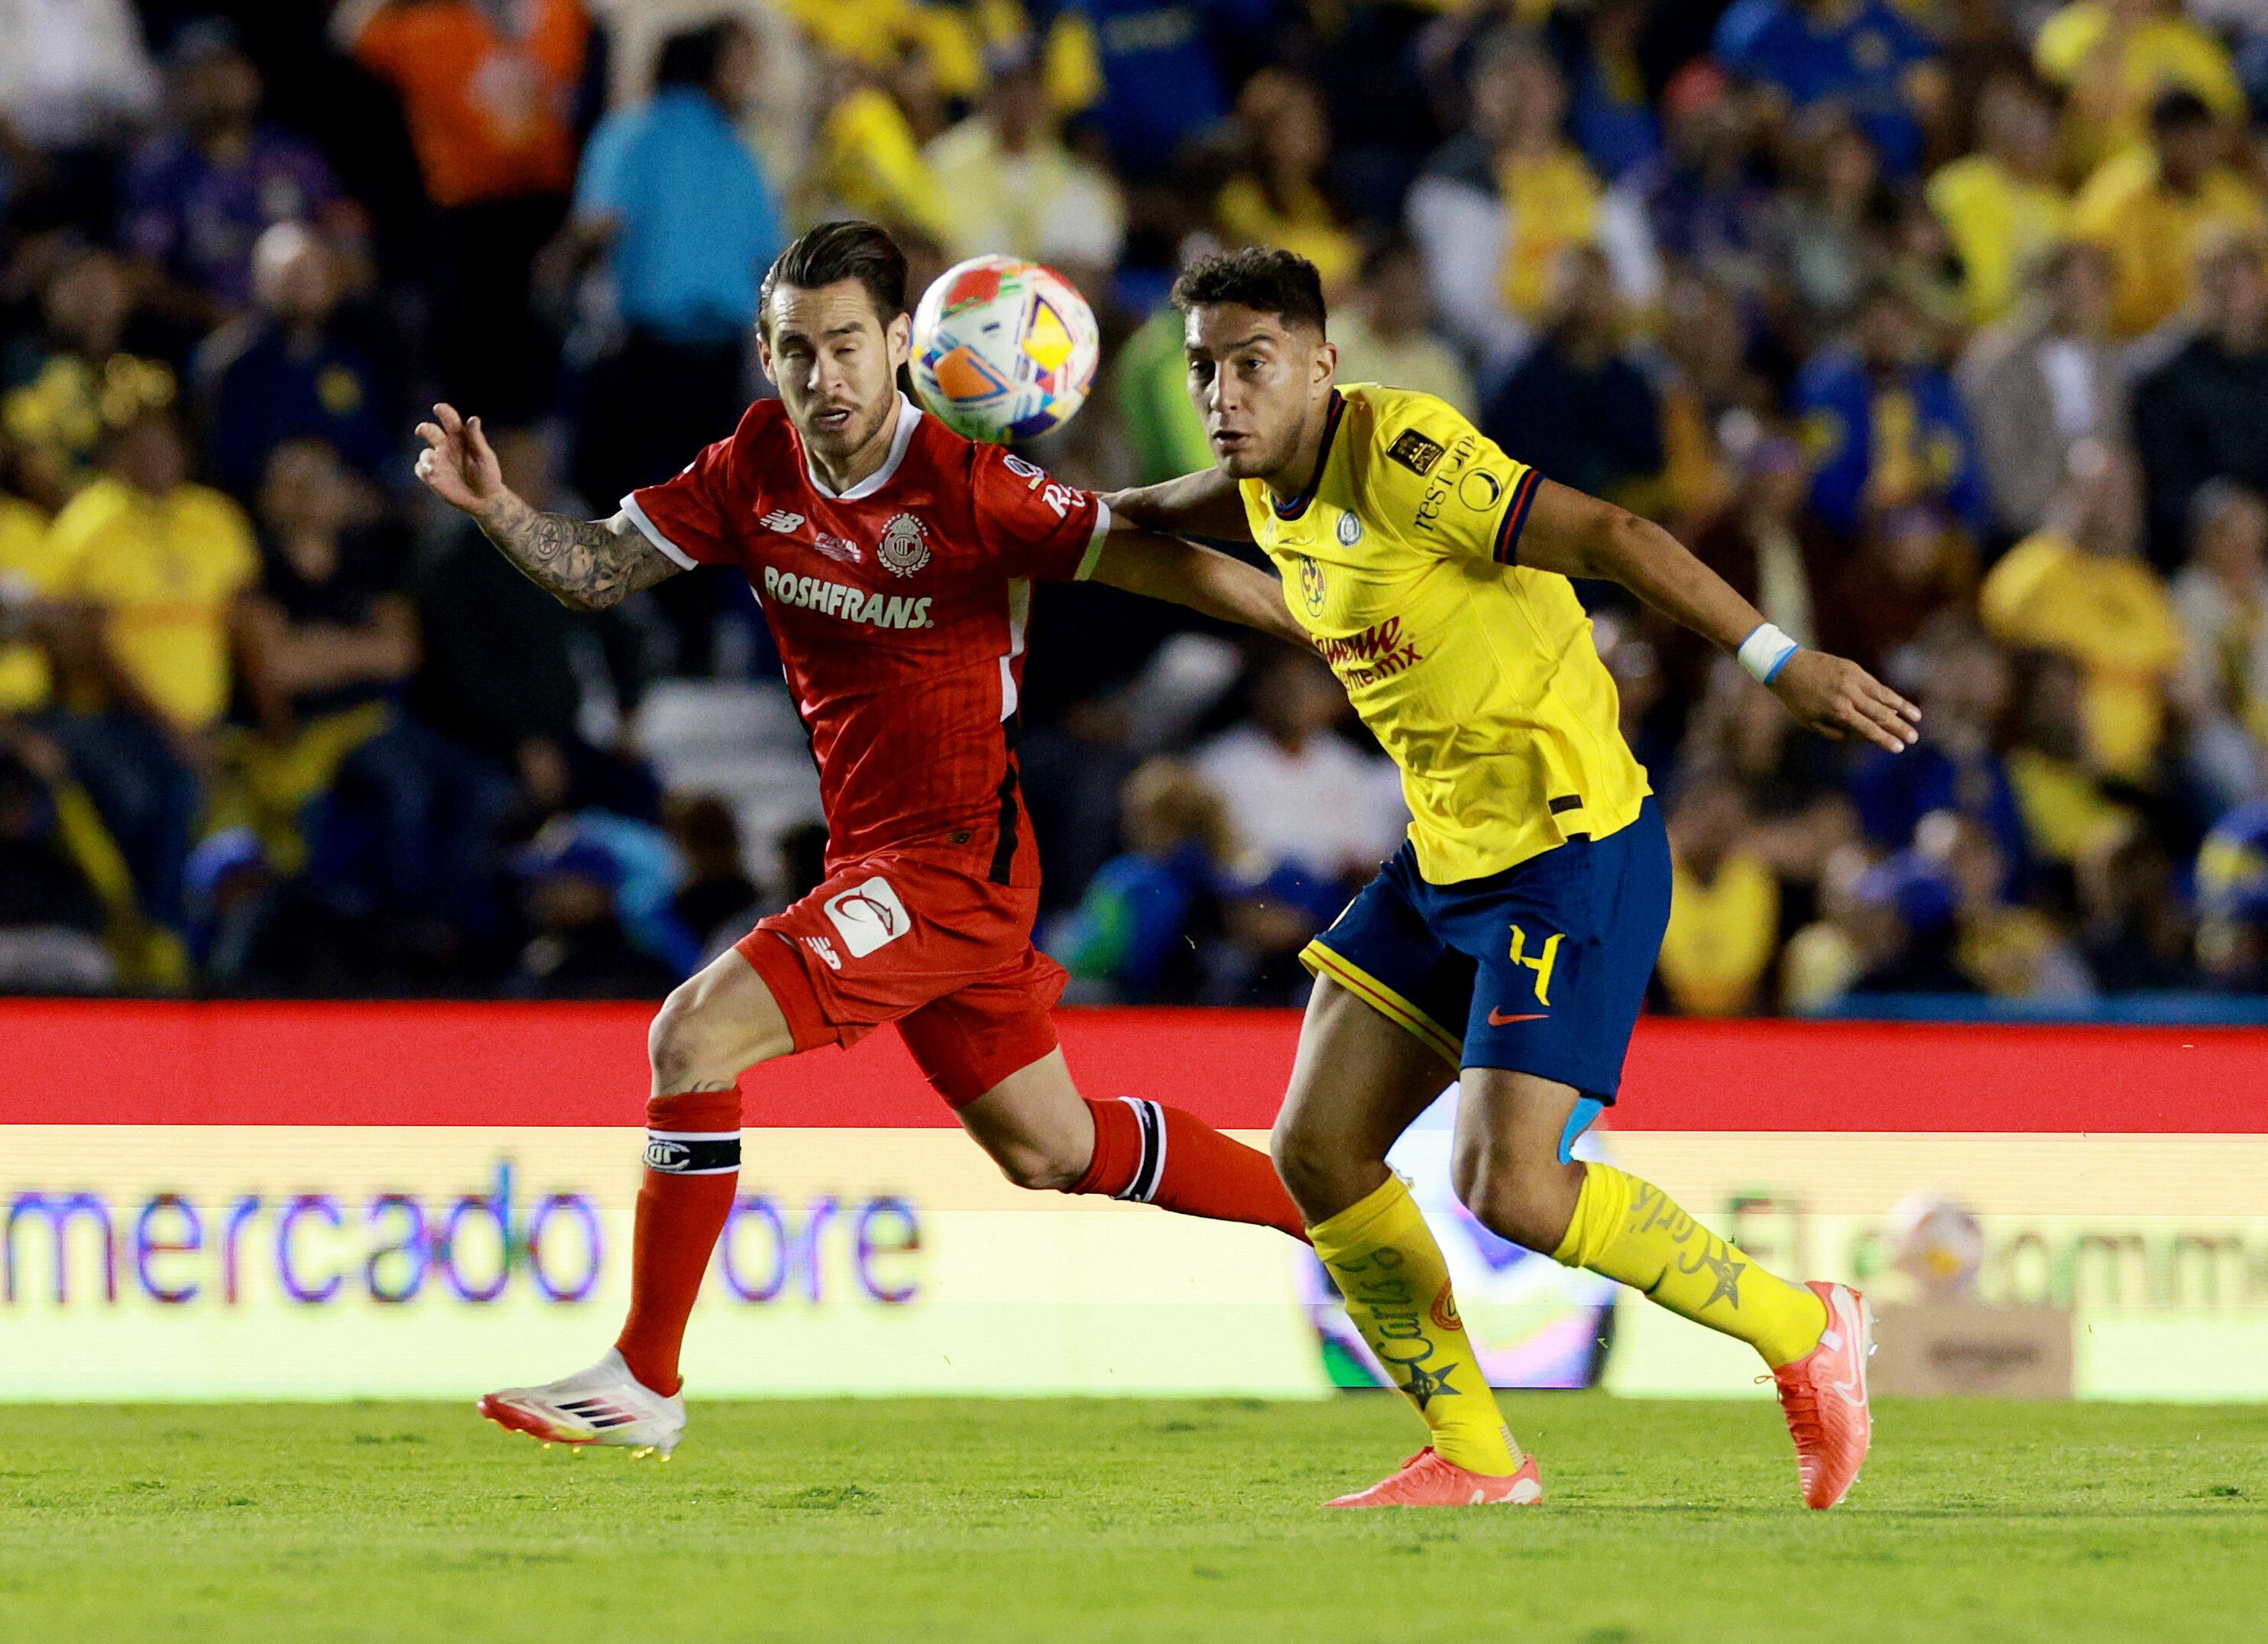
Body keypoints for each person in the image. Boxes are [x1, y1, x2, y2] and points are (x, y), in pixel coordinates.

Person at [413, 221, 1315, 1459]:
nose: (822, 375)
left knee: (691, 1035)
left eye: (846, 345)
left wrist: (1327, 627)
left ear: (902, 343)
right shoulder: (753, 465)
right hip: (879, 854)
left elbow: (1160, 565)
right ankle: (1335, 1208)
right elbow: (600, 569)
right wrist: (501, 508)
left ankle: (644, 1376)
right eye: (796, 350)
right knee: (1053, 1148)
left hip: (952, 861)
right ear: (765, 355)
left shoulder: (972, 484)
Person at [1107, 247, 1918, 1510]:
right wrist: (1076, 517)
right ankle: (1479, 1459)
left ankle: (1805, 1328)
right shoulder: (1265, 478)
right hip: (1448, 853)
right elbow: (1189, 505)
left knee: (1513, 1188)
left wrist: (1777, 660)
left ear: (1324, 366)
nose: (1224, 395)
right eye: (1205, 369)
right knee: (1318, 1149)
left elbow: (1616, 533)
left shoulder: (1407, 456)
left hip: (1566, 848)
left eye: (1253, 364)